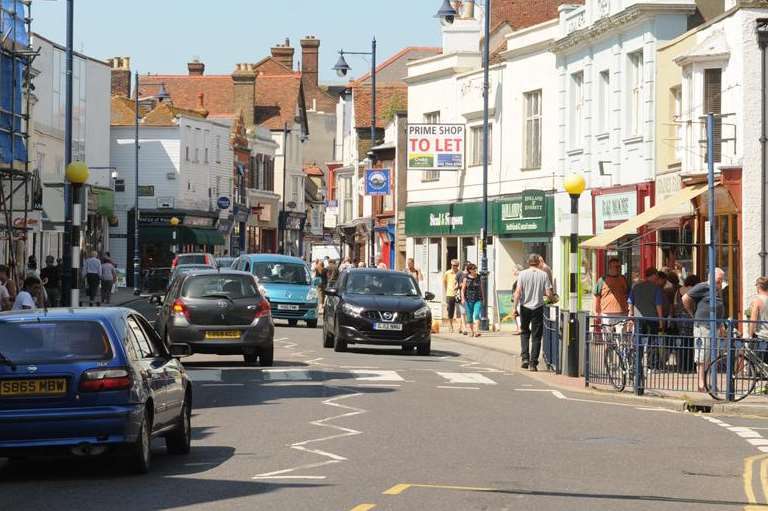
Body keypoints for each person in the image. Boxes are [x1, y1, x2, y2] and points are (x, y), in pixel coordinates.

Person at [683, 268, 726, 392]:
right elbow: (685, 298)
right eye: (718, 280)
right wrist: (693, 314)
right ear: (711, 278)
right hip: (703, 326)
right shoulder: (702, 287)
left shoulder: (718, 290)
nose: (720, 283)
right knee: (702, 355)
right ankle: (701, 384)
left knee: (713, 356)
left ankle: (712, 383)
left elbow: (719, 308)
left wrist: (721, 324)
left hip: (716, 326)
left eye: (721, 281)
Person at [514, 254, 554, 371]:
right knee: (537, 336)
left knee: (524, 332)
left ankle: (525, 358)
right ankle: (533, 363)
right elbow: (549, 293)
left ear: (528, 262)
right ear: (538, 262)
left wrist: (514, 308)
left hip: (525, 307)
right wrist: (551, 299)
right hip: (538, 307)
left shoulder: (522, 274)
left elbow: (518, 292)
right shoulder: (543, 275)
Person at [628, 268, 665, 376]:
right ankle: (651, 366)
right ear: (652, 276)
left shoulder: (636, 287)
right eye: (656, 276)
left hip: (639, 320)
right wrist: (661, 321)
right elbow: (658, 306)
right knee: (652, 342)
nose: (657, 278)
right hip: (652, 319)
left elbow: (630, 302)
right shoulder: (656, 289)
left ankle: (637, 363)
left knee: (638, 341)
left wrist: (631, 316)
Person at [593, 257, 629, 330]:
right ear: (610, 267)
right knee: (607, 337)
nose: (618, 268)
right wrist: (597, 312)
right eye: (616, 266)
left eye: (619, 266)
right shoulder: (602, 280)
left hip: (621, 313)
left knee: (621, 338)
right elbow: (597, 296)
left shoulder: (623, 279)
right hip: (607, 313)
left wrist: (628, 311)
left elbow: (627, 294)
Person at [461, 263, 484, 338]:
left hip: (478, 299)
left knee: (477, 314)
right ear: (469, 270)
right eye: (473, 269)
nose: (475, 270)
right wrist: (463, 299)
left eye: (475, 269)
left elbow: (481, 288)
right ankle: (471, 331)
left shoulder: (479, 277)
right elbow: (463, 290)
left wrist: (483, 298)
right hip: (468, 299)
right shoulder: (466, 278)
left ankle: (477, 331)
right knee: (469, 316)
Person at [748, 277, 768, 360]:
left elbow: (753, 321)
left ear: (758, 287)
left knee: (758, 365)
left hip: (762, 337)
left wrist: (749, 335)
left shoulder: (757, 301)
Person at [442, 259, 461, 333]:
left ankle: (459, 327)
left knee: (459, 311)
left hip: (458, 294)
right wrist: (447, 291)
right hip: (450, 294)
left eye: (456, 265)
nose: (454, 267)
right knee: (450, 310)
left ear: (458, 266)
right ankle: (450, 325)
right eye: (453, 265)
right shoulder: (447, 273)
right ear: (451, 265)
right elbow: (445, 283)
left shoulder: (460, 273)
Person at [455, 262, 469, 335]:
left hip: (470, 296)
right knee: (463, 312)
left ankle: (461, 327)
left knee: (466, 312)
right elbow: (456, 284)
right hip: (461, 295)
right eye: (468, 267)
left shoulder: (471, 275)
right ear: (465, 267)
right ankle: (464, 328)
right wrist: (463, 285)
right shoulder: (460, 274)